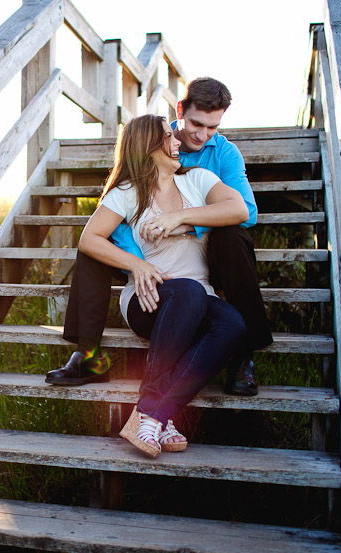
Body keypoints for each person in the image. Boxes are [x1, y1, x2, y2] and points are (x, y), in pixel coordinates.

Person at [45, 77, 272, 396]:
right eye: (195, 124)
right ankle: (89, 354)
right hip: (146, 253)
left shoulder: (218, 159)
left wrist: (182, 222)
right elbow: (112, 224)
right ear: (180, 110)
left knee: (231, 239)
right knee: (93, 246)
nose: (201, 135)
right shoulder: (143, 163)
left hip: (207, 254)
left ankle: (241, 356)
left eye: (212, 127)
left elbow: (245, 209)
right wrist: (136, 263)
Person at [77, 114, 247, 457]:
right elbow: (89, 239)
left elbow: (238, 209)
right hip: (149, 300)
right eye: (169, 138)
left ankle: (154, 412)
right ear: (148, 146)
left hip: (197, 296)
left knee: (231, 322)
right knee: (187, 291)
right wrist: (136, 264)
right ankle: (158, 415)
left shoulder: (198, 180)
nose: (177, 142)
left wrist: (180, 217)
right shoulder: (127, 193)